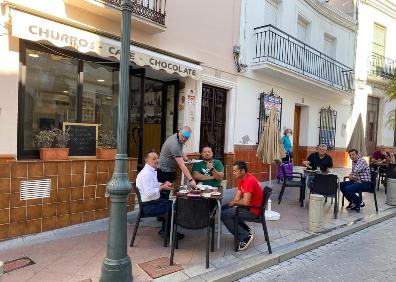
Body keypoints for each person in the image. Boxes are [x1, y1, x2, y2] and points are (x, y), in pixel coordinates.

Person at [136, 151, 184, 240]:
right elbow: (149, 193)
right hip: (149, 206)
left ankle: (166, 231)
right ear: (146, 161)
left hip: (152, 202)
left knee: (172, 203)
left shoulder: (150, 171)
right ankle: (168, 233)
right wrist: (162, 188)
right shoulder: (146, 174)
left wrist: (163, 183)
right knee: (174, 206)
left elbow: (153, 184)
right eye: (154, 159)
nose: (157, 160)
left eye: (157, 158)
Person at [221, 161, 263, 251]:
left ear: (242, 171)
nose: (233, 173)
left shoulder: (249, 181)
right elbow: (238, 195)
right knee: (224, 208)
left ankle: (244, 236)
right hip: (248, 207)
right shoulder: (242, 179)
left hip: (253, 210)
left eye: (235, 171)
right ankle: (245, 229)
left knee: (224, 215)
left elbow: (245, 202)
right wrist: (233, 204)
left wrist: (235, 203)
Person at [157, 126, 198, 198]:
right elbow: (181, 165)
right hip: (164, 171)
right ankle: (163, 208)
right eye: (183, 136)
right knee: (164, 195)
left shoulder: (178, 138)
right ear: (179, 132)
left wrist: (186, 159)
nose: (184, 139)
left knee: (166, 193)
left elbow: (180, 150)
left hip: (169, 170)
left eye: (187, 138)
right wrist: (191, 180)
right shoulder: (174, 143)